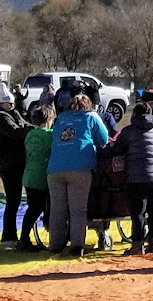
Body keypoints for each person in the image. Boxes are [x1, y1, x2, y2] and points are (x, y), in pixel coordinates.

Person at [46, 95, 110, 257]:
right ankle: (77, 245)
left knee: (57, 209)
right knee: (78, 210)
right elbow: (103, 139)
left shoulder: (61, 118)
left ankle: (55, 244)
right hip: (80, 167)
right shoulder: (91, 117)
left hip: (55, 168)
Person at [114, 102, 153, 255]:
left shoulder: (128, 131)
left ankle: (137, 245)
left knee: (138, 212)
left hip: (137, 177)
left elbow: (118, 148)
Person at [0, 83, 31, 245]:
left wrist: (36, 128)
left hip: (12, 163)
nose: (11, 105)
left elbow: (24, 125)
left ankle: (10, 235)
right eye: (7, 103)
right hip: (8, 165)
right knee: (13, 200)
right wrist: (36, 132)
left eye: (11, 103)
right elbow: (15, 132)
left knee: (14, 200)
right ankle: (9, 236)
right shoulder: (0, 117)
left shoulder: (12, 113)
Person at [17, 105, 54, 250]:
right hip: (43, 176)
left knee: (33, 208)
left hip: (29, 175)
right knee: (47, 206)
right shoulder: (50, 135)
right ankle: (52, 232)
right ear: (49, 119)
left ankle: (24, 237)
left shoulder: (30, 135)